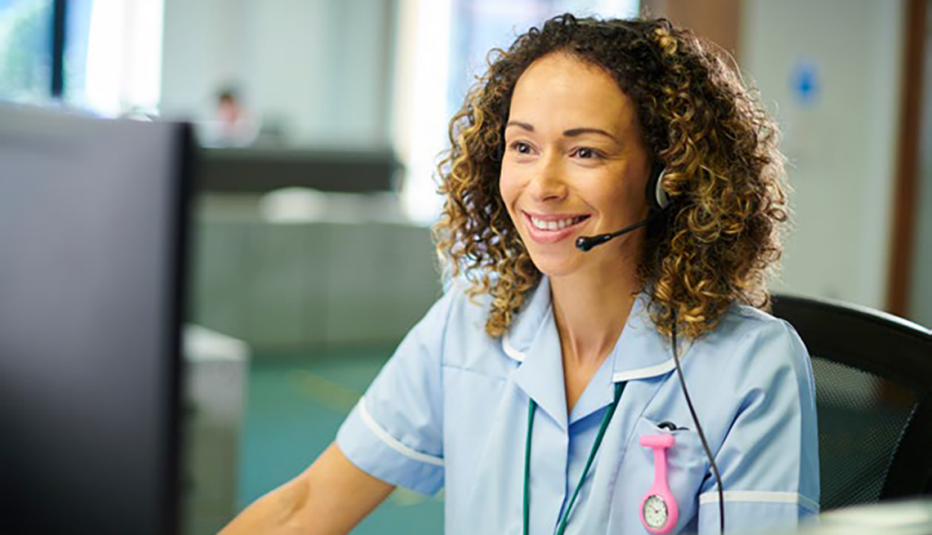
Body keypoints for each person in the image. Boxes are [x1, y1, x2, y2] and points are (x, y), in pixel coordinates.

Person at [217, 14, 819, 535]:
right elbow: (306, 506)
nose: (542, 186)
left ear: (670, 176)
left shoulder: (748, 366)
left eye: (586, 152)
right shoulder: (470, 322)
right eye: (523, 147)